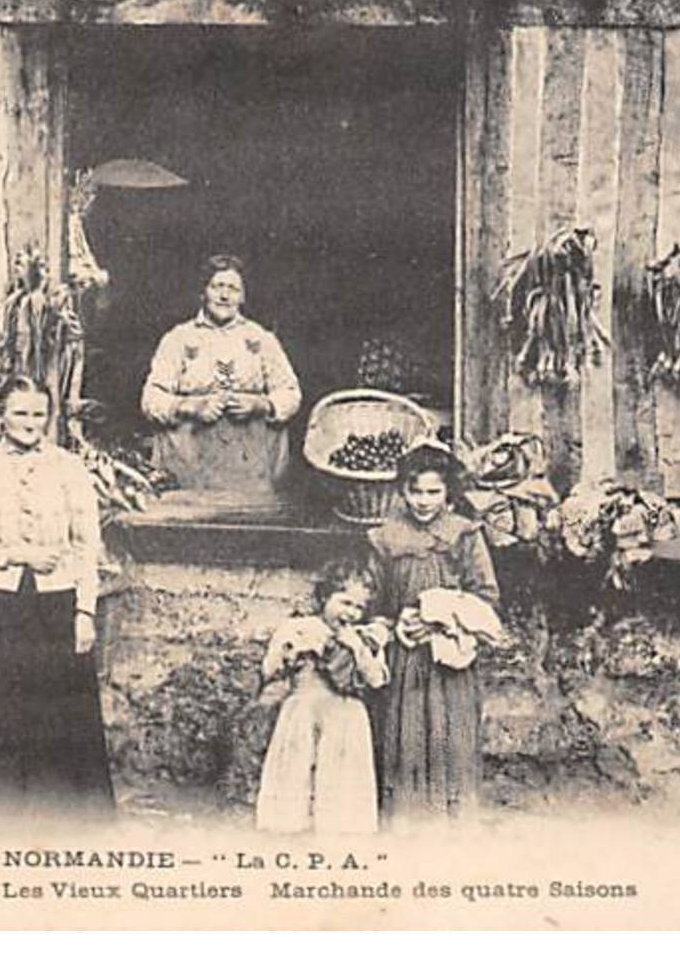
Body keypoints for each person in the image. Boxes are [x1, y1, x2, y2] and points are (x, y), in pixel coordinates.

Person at [0, 375, 115, 829]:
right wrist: (15, 554)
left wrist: (85, 611)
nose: (30, 423)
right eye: (20, 412)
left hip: (55, 607)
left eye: (39, 414)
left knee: (53, 712)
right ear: (1, 413)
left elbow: (87, 545)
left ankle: (53, 815)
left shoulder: (70, 468)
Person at [365, 442, 505, 822]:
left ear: (448, 492)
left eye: (433, 491)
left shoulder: (464, 535)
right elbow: (374, 600)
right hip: (406, 657)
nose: (423, 501)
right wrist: (395, 625)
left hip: (449, 658)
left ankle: (453, 818)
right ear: (401, 491)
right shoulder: (386, 538)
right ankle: (407, 818)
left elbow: (486, 596)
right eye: (415, 491)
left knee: (451, 732)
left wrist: (441, 620)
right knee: (406, 731)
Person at [140, 255, 301, 496]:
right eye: (217, 287)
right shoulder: (178, 338)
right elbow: (151, 398)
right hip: (189, 462)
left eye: (233, 288)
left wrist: (262, 404)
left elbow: (290, 393)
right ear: (203, 292)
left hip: (251, 466)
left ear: (243, 296)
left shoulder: (262, 339)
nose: (225, 296)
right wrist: (190, 406)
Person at [255, 559, 392, 835]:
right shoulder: (300, 627)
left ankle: (339, 829)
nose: (351, 613)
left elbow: (377, 679)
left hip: (345, 714)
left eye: (359, 607)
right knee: (295, 768)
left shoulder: (364, 638)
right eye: (345, 602)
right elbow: (269, 668)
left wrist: (357, 650)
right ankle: (289, 826)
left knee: (341, 772)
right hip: (303, 708)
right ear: (324, 598)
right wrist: (287, 654)